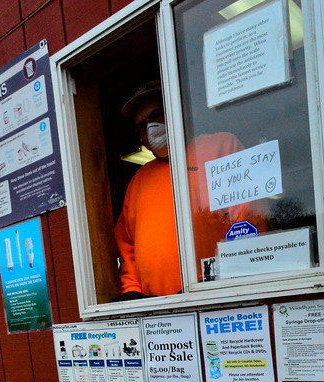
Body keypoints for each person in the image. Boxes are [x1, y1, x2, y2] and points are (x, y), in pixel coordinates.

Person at [113, 81, 267, 301]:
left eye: (157, 115)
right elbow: (126, 243)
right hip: (155, 313)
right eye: (141, 125)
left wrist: (222, 286)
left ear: (177, 110)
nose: (150, 127)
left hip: (217, 301)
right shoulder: (139, 180)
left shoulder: (221, 147)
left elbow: (250, 223)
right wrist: (132, 292)